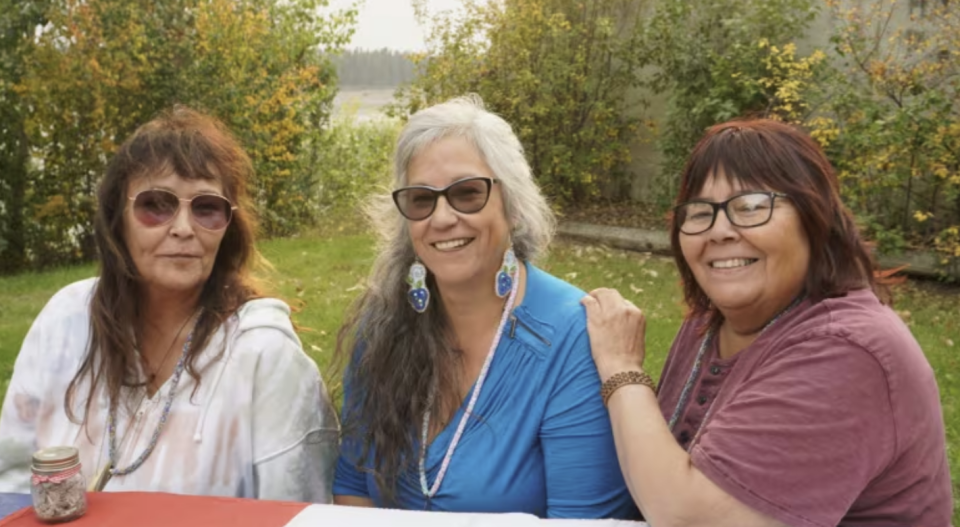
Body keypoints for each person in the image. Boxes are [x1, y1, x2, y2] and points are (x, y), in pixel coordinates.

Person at [581, 119, 953, 526]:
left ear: (815, 219)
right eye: (700, 212)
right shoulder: (710, 323)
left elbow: (689, 518)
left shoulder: (848, 350)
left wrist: (622, 368)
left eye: (752, 207)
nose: (720, 231)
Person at [0, 107, 339, 502]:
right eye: (156, 205)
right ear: (117, 219)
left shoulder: (264, 357)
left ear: (228, 227)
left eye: (206, 208)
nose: (182, 228)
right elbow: (11, 484)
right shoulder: (65, 322)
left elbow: (296, 512)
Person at [332, 95, 637, 519]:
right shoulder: (381, 328)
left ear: (512, 207)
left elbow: (581, 519)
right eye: (422, 199)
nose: (441, 218)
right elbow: (351, 487)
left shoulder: (571, 337)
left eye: (467, 193)